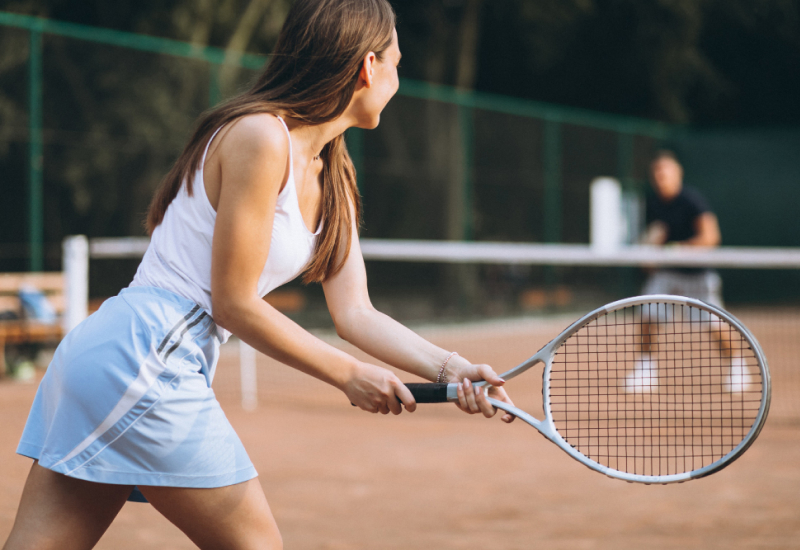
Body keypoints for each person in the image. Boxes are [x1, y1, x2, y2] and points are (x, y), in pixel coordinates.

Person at [3, 2, 514, 548]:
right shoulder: (260, 137)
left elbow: (357, 313)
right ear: (368, 66)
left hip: (124, 359)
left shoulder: (333, 174)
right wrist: (348, 375)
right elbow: (234, 304)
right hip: (145, 358)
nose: (398, 79)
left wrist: (453, 369)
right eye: (396, 63)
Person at [626, 150, 748, 393]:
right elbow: (652, 240)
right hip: (666, 274)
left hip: (697, 275)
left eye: (665, 171)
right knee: (647, 317)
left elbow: (711, 237)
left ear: (677, 174)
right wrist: (650, 256)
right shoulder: (651, 203)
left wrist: (679, 249)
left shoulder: (692, 200)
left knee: (714, 324)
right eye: (656, 172)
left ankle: (737, 367)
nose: (660, 176)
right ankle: (645, 369)